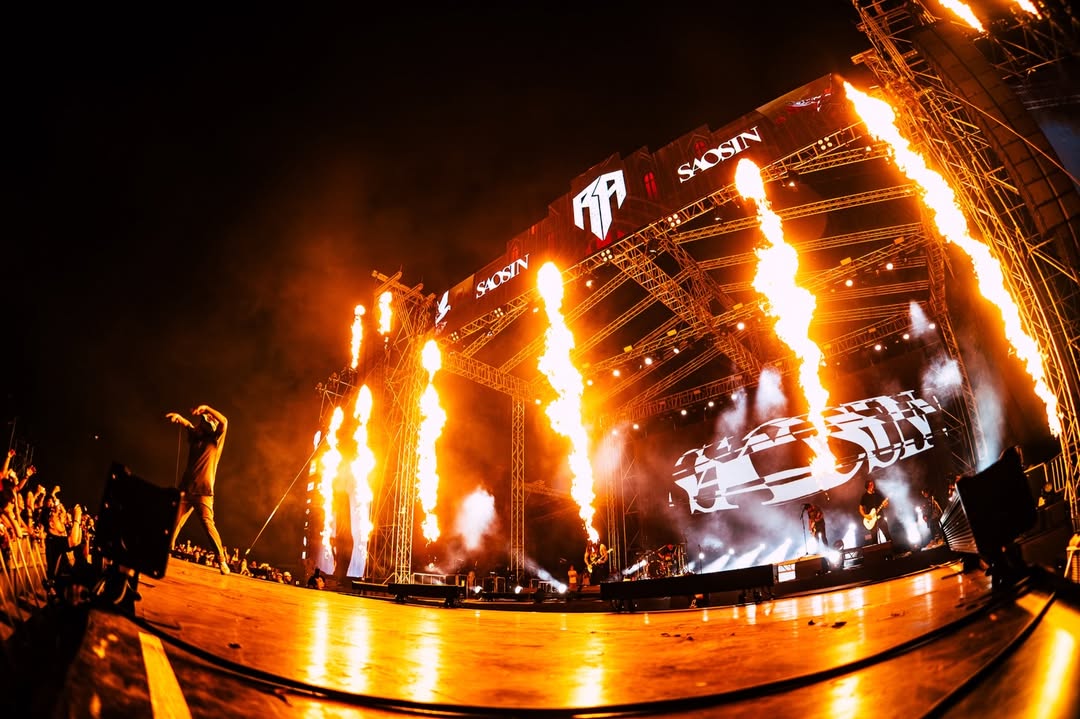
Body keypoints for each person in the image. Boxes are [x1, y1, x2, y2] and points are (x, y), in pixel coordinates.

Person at [167, 404, 231, 575]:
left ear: (211, 427)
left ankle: (221, 560)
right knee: (174, 521)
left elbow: (224, 421)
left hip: (204, 491)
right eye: (201, 423)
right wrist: (180, 419)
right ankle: (165, 551)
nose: (201, 425)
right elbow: (189, 425)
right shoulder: (196, 437)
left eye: (205, 423)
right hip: (186, 489)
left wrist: (207, 408)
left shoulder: (215, 441)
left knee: (208, 525)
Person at [859, 479, 892, 545]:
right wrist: (865, 515)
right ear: (867, 486)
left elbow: (885, 504)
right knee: (874, 539)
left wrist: (885, 504)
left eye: (872, 484)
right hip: (871, 519)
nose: (872, 485)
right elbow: (860, 508)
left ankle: (891, 549)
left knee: (887, 535)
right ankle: (876, 551)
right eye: (870, 484)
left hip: (880, 517)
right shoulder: (864, 496)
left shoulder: (877, 494)